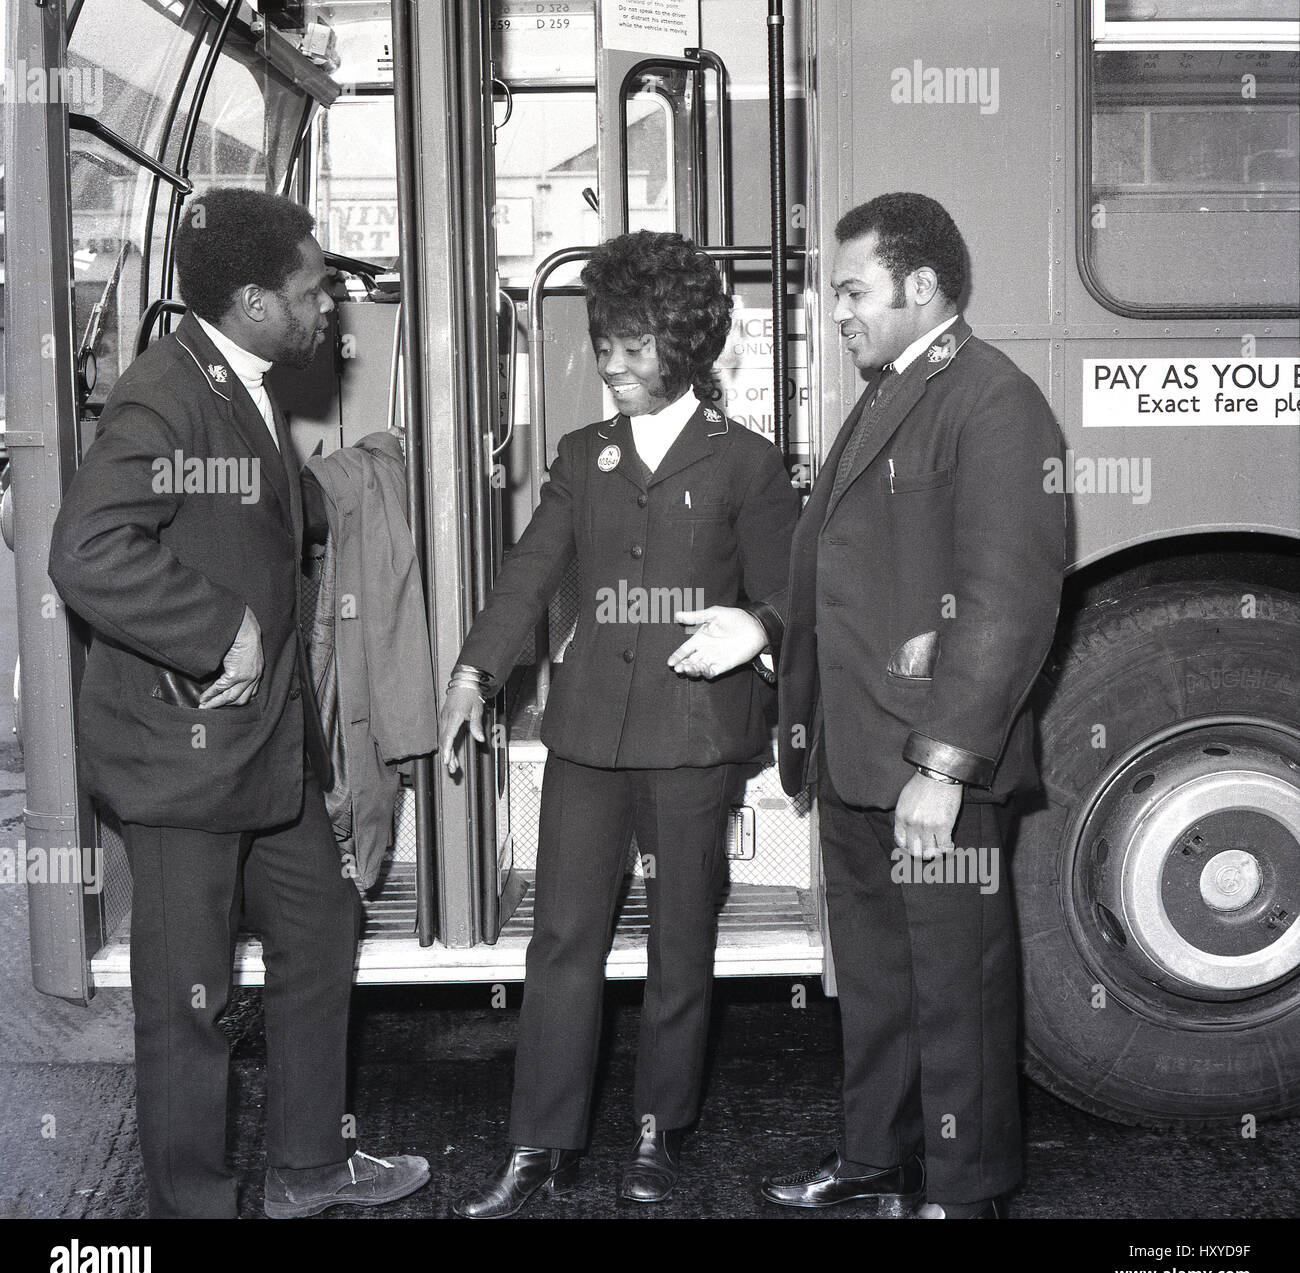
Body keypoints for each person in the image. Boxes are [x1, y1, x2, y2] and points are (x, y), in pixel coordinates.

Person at [669, 193, 1066, 1219]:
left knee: (956, 991)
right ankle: (876, 1160)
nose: (836, 310)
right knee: (881, 983)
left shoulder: (992, 399)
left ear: (919, 285)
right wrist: (765, 630)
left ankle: (965, 1190)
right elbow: (839, 568)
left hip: (926, 764)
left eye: (852, 289)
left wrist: (944, 766)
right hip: (855, 755)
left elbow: (1005, 598)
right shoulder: (891, 391)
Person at [48, 188, 429, 1219]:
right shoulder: (164, 391)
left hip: (262, 753)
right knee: (190, 1007)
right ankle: (193, 1210)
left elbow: (244, 510)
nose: (327, 313)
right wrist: (225, 628)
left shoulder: (239, 380)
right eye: (311, 294)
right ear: (255, 299)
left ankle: (307, 1164)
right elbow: (86, 549)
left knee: (320, 924)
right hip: (186, 759)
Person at [439, 230, 798, 1216]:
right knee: (561, 940)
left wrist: (755, 628)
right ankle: (538, 1142)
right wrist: (476, 668)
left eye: (636, 344)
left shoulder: (747, 464)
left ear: (685, 345)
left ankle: (658, 1130)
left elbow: (792, 590)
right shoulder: (580, 456)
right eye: (605, 339)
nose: (614, 360)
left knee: (680, 939)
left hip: (693, 738)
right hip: (589, 734)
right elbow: (529, 572)